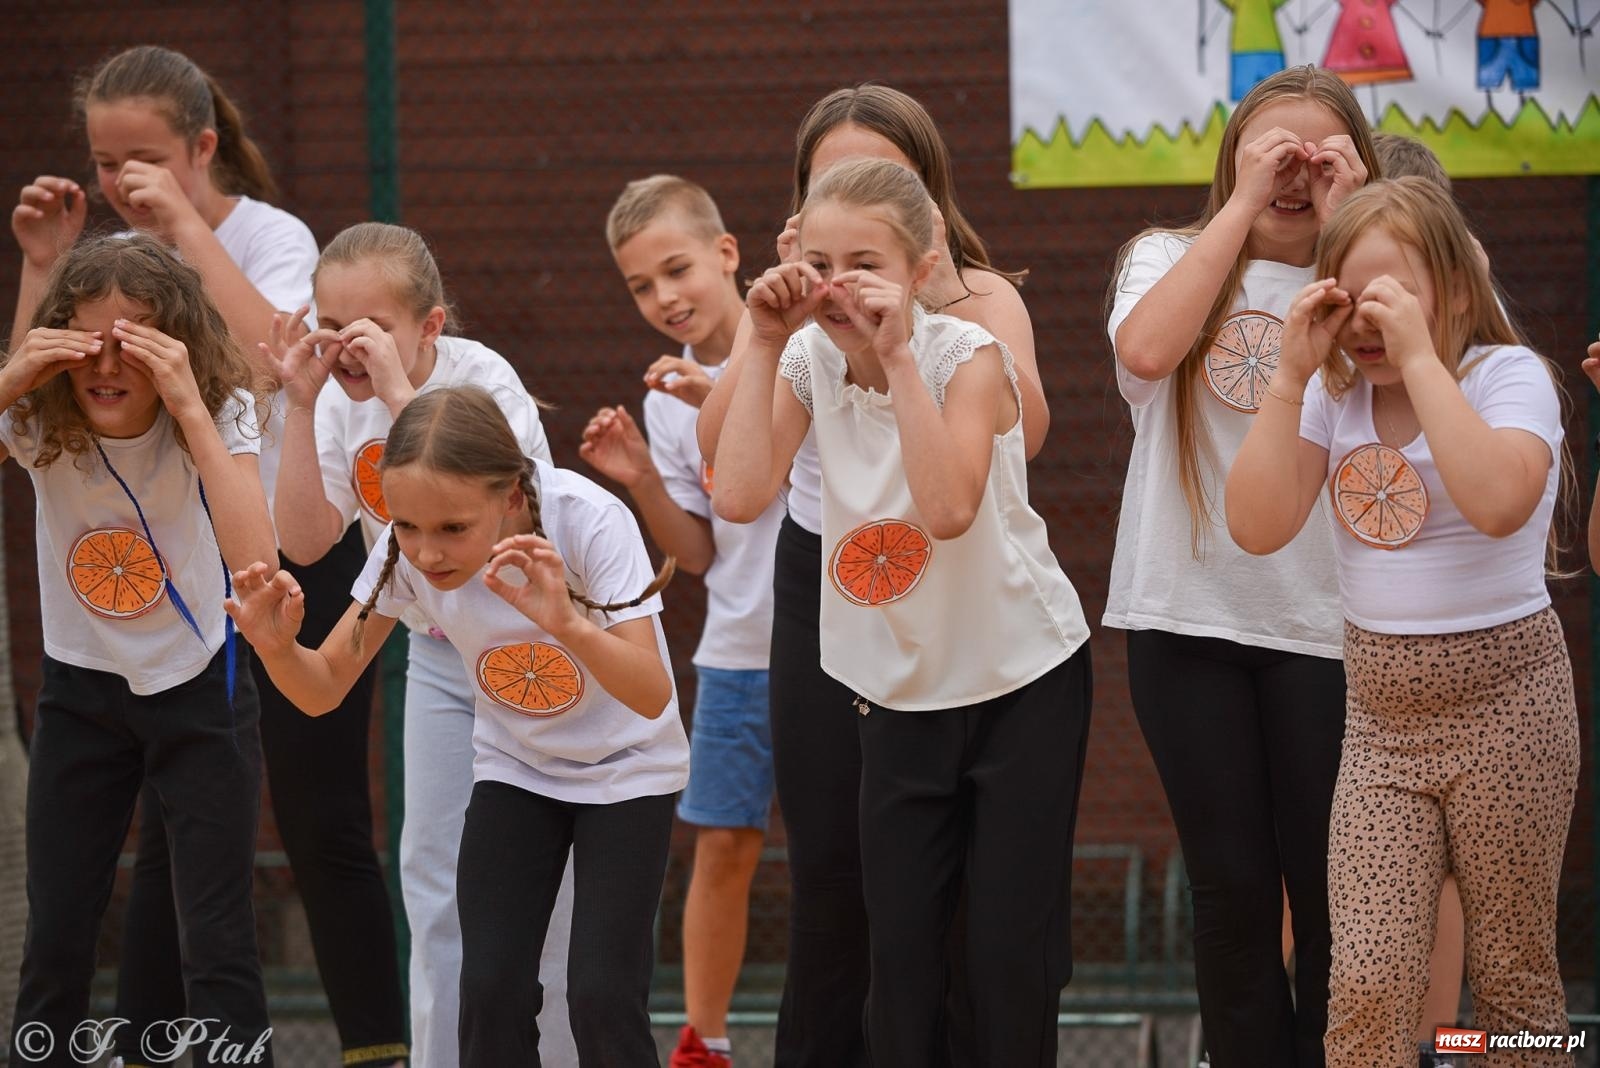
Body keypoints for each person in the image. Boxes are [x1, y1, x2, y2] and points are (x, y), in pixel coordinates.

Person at [8, 45, 407, 1067]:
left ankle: (372, 1044)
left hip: (255, 578)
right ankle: (143, 1043)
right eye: (104, 160)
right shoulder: (82, 343)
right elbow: (34, 382)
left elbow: (274, 358)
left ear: (201, 147)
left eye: (143, 156)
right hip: (104, 650)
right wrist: (45, 267)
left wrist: (186, 352)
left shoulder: (265, 247)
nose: (120, 180)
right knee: (105, 900)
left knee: (279, 852)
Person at [694, 83, 1048, 1067]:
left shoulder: (977, 296)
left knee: (954, 884)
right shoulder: (798, 324)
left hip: (959, 594)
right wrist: (769, 325)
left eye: (876, 182)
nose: (846, 199)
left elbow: (1035, 432)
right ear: (799, 204)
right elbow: (725, 460)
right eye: (824, 187)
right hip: (829, 576)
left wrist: (909, 311)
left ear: (923, 201)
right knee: (834, 867)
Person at [1227, 176, 1579, 1067]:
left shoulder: (1509, 378)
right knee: (1370, 976)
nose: (1369, 320)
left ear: (1456, 292)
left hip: (1511, 706)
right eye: (1352, 296)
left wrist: (1422, 360)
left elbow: (1500, 500)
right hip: (1384, 729)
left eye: (1397, 295)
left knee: (1513, 978)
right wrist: (1293, 373)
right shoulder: (1331, 397)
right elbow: (1256, 524)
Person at [227, 386, 687, 1067]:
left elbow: (651, 694)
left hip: (627, 775)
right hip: (518, 769)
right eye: (407, 526)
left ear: (508, 497)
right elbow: (322, 688)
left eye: (451, 529)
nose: (427, 552)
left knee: (599, 995)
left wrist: (561, 621)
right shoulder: (400, 552)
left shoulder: (587, 519)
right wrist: (275, 648)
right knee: (491, 988)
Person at [1105, 65, 1377, 1068]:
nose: (1292, 177)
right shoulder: (1168, 255)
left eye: (1317, 158)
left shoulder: (1372, 274)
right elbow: (1143, 358)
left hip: (1330, 629)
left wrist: (1360, 224)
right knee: (1227, 892)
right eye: (1270, 156)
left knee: (1334, 893)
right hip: (1188, 622)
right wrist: (1238, 208)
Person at [265, 223, 573, 1066]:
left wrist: (402, 392)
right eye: (333, 323)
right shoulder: (331, 399)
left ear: (429, 326)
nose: (349, 345)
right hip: (438, 651)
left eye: (372, 326)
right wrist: (298, 405)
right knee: (434, 880)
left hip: (529, 646)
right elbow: (304, 540)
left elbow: (508, 505)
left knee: (549, 896)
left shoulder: (481, 379)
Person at [3, 234, 276, 1066]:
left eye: (136, 344)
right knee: (58, 927)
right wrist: (14, 376)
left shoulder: (216, 408)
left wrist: (190, 405)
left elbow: (257, 558)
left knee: (217, 936)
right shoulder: (38, 412)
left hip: (200, 690)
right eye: (89, 344)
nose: (107, 367)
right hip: (82, 691)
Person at [583, 175, 783, 1068]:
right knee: (724, 842)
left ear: (727, 254)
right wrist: (641, 481)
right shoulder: (665, 398)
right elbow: (696, 555)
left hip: (849, 647)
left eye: (677, 269)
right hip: (741, 651)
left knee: (851, 850)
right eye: (639, 285)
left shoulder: (804, 344)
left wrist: (722, 396)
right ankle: (704, 1040)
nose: (665, 297)